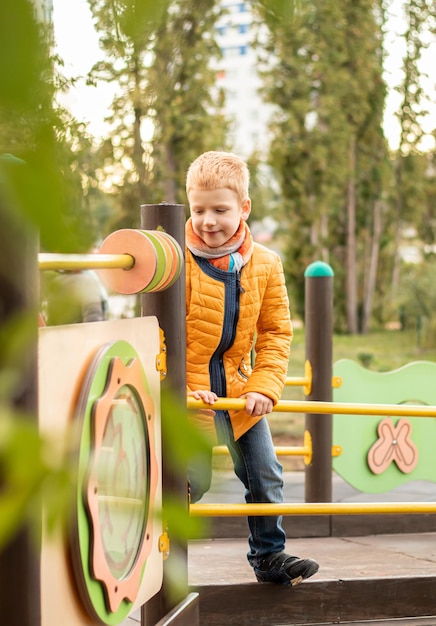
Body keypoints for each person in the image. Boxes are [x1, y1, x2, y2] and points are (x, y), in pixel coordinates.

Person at [185, 150, 319, 586]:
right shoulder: (177, 261)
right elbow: (157, 333)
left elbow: (276, 332)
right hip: (190, 398)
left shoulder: (266, 264)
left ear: (243, 208)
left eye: (220, 209)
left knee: (266, 475)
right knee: (190, 481)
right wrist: (183, 388)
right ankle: (153, 554)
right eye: (199, 209)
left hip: (242, 396)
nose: (208, 220)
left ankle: (270, 557)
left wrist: (263, 387)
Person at [42, 269, 108, 325]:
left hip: (60, 335)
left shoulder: (56, 282)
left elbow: (52, 320)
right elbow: (93, 317)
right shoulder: (85, 281)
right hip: (81, 335)